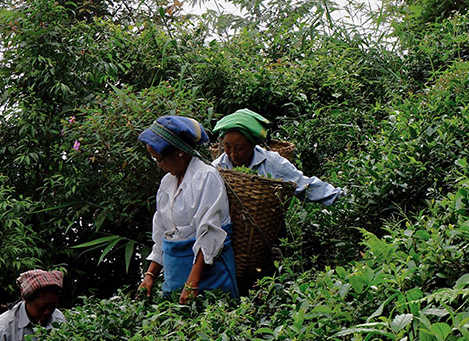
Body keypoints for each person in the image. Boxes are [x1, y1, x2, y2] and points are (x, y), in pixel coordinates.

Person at [136, 115, 240, 302]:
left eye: (159, 159)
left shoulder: (206, 178)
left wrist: (192, 283)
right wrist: (150, 275)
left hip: (208, 279)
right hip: (176, 282)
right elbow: (162, 233)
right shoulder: (167, 183)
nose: (159, 165)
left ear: (179, 152)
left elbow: (209, 234)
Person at [211, 108, 343, 207]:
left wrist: (340, 197)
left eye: (239, 148)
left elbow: (303, 185)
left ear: (252, 145)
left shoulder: (272, 162)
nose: (233, 154)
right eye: (228, 147)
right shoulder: (217, 167)